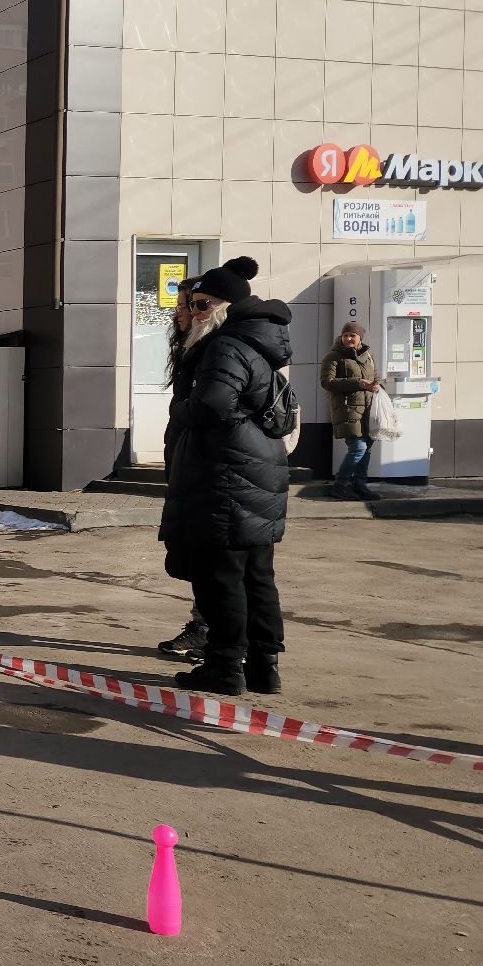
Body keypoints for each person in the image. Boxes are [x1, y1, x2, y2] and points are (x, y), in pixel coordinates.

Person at [158, 256, 291, 697]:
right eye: (190, 304)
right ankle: (263, 667)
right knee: (255, 575)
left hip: (228, 477)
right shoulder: (255, 343)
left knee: (221, 579)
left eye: (200, 305)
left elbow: (212, 405)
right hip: (253, 472)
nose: (191, 313)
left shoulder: (225, 345)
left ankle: (224, 666)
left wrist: (179, 408)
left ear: (223, 307)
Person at [156, 278, 209, 664]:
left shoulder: (212, 353)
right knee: (192, 556)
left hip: (207, 472)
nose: (177, 313)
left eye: (185, 306)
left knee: (209, 559)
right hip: (187, 464)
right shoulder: (189, 351)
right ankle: (204, 626)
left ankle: (212, 635)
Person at [321, 319, 382, 501]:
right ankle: (340, 486)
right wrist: (358, 383)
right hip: (348, 410)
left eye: (352, 335)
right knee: (358, 448)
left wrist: (378, 386)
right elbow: (327, 382)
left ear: (359, 337)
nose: (348, 338)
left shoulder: (368, 355)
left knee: (367, 448)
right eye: (345, 335)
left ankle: (360, 485)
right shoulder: (333, 356)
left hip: (368, 410)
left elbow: (375, 376)